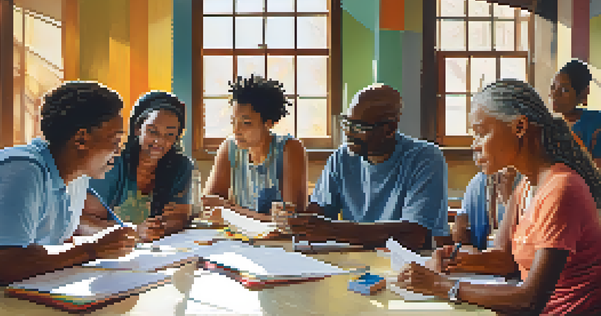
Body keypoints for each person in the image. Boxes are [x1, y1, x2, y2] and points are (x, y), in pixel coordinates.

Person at [0, 81, 139, 316]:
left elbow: (47, 248)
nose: (118, 152)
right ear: (81, 139)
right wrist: (93, 249)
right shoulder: (20, 171)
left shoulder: (77, 177)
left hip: (14, 304)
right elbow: (8, 264)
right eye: (115, 141)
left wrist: (103, 244)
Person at [399, 79, 601, 315]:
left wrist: (440, 286)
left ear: (519, 127)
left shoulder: (561, 188)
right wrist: (452, 260)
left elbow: (530, 300)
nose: (475, 145)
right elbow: (505, 259)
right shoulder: (526, 184)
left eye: (481, 133)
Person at [286, 84, 449, 251]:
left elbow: (413, 236)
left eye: (358, 127)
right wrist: (294, 220)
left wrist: (332, 230)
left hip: (408, 265)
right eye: (346, 123)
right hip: (356, 260)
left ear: (390, 128)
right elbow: (317, 217)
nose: (348, 133)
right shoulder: (341, 158)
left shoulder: (425, 158)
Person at [79, 91, 195, 241]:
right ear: (137, 129)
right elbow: (82, 222)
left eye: (170, 135)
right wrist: (134, 230)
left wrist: (159, 228)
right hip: (107, 250)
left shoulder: (182, 166)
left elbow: (179, 218)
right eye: (153, 132)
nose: (160, 141)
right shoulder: (111, 164)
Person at [203, 75, 308, 220]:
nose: (236, 130)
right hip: (239, 237)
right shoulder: (230, 148)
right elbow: (209, 205)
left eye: (246, 123)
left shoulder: (289, 149)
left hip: (280, 241)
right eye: (233, 122)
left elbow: (290, 220)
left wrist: (229, 209)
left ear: (269, 123)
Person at [454, 167, 523, 252]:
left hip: (512, 254)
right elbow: (462, 221)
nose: (479, 160)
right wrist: (460, 231)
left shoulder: (525, 182)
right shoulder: (478, 182)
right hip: (484, 254)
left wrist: (507, 199)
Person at [549, 59, 601, 167]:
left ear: (582, 94)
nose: (554, 95)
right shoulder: (549, 126)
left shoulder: (596, 125)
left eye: (564, 90)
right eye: (553, 88)